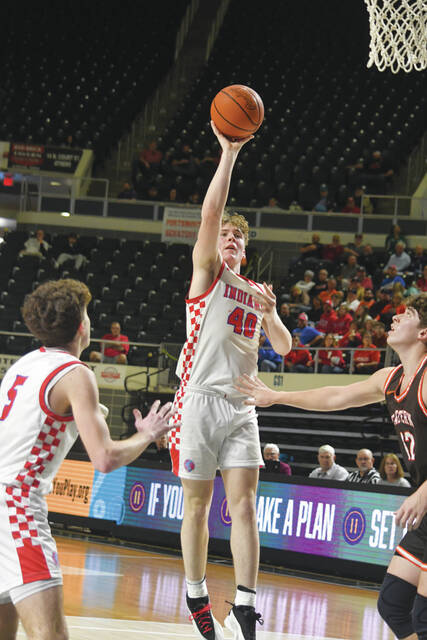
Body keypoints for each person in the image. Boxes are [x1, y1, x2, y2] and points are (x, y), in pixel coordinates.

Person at [234, 293, 427, 640]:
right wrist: (278, 397)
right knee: (393, 604)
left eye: (407, 314)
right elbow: (335, 396)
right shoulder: (392, 379)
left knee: (424, 617)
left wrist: (423, 491)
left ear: (424, 332)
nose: (395, 318)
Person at [168, 121, 291, 640]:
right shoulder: (207, 272)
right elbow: (210, 213)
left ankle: (244, 604)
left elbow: (284, 348)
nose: (231, 237)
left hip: (242, 406)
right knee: (197, 507)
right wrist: (228, 154)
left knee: (244, 506)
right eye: (226, 234)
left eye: (239, 235)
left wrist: (272, 313)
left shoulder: (256, 290)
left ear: (247, 246)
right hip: (197, 400)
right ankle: (196, 592)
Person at [0, 279, 173, 640]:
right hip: (15, 505)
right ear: (82, 325)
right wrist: (148, 434)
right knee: (51, 635)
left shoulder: (24, 364)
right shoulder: (76, 374)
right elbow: (105, 459)